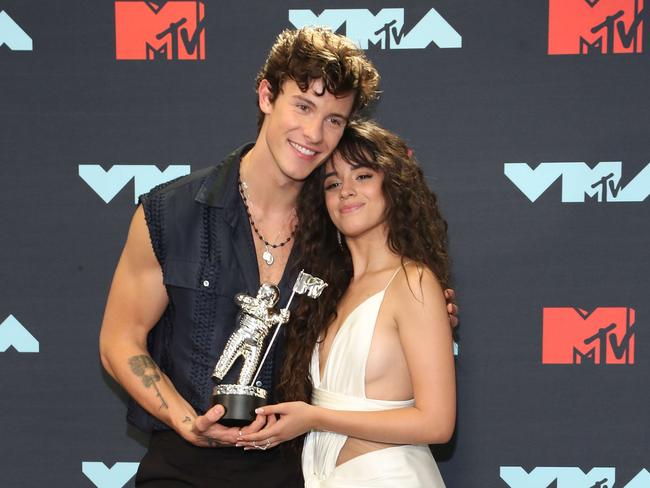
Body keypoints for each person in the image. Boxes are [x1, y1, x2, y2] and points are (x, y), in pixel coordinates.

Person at [99, 27, 457, 487]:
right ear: (267, 95)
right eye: (303, 106)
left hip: (295, 469)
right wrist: (188, 422)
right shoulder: (172, 212)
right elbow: (119, 340)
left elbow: (389, 301)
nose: (314, 133)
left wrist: (430, 307)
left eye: (334, 120)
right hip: (182, 466)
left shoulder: (341, 225)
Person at [236, 120, 456, 487]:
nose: (346, 192)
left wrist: (317, 418)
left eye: (363, 176)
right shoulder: (327, 291)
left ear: (394, 185)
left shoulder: (413, 282)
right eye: (333, 183)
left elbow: (436, 423)